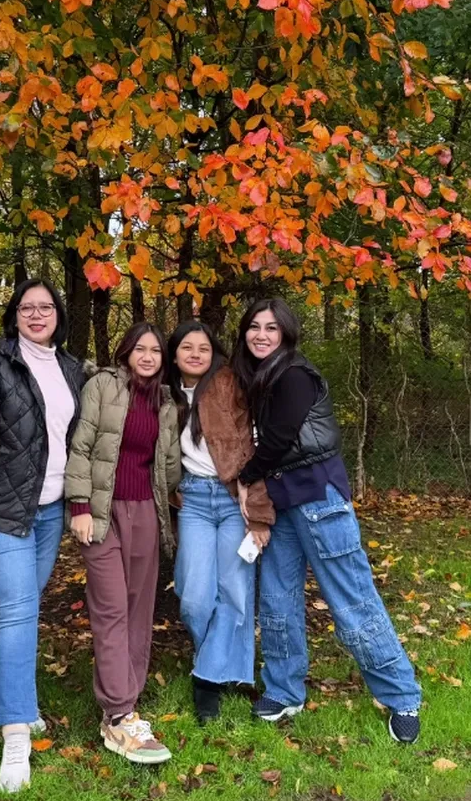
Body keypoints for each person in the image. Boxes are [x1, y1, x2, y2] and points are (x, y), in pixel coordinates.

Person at [232, 298, 422, 743]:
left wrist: (245, 476)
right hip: (281, 504)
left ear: (287, 334)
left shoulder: (294, 373)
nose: (261, 335)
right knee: (277, 601)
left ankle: (401, 696)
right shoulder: (260, 378)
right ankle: (284, 689)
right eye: (254, 327)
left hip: (319, 498)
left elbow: (279, 439)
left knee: (351, 599)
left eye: (271, 328)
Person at [0, 278, 86, 792]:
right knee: (16, 610)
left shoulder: (72, 369)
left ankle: (3, 696)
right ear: (14, 315)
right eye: (27, 307)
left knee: (25, 606)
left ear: (57, 314)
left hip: (50, 511)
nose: (36, 314)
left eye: (45, 307)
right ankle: (15, 736)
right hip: (1, 512)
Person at [64, 322, 181, 765]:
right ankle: (118, 715)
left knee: (138, 606)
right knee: (111, 605)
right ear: (126, 352)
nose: (148, 356)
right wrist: (79, 506)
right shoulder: (102, 386)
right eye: (140, 349)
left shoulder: (167, 403)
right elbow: (83, 445)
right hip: (101, 512)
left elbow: (168, 466)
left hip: (146, 513)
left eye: (155, 351)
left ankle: (127, 697)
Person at [168, 321, 275, 724]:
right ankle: (214, 659)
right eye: (187, 348)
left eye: (204, 347)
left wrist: (259, 513)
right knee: (194, 595)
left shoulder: (231, 386)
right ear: (174, 354)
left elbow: (255, 447)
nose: (196, 354)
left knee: (234, 590)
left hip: (234, 497)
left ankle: (208, 681)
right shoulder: (167, 396)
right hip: (193, 500)